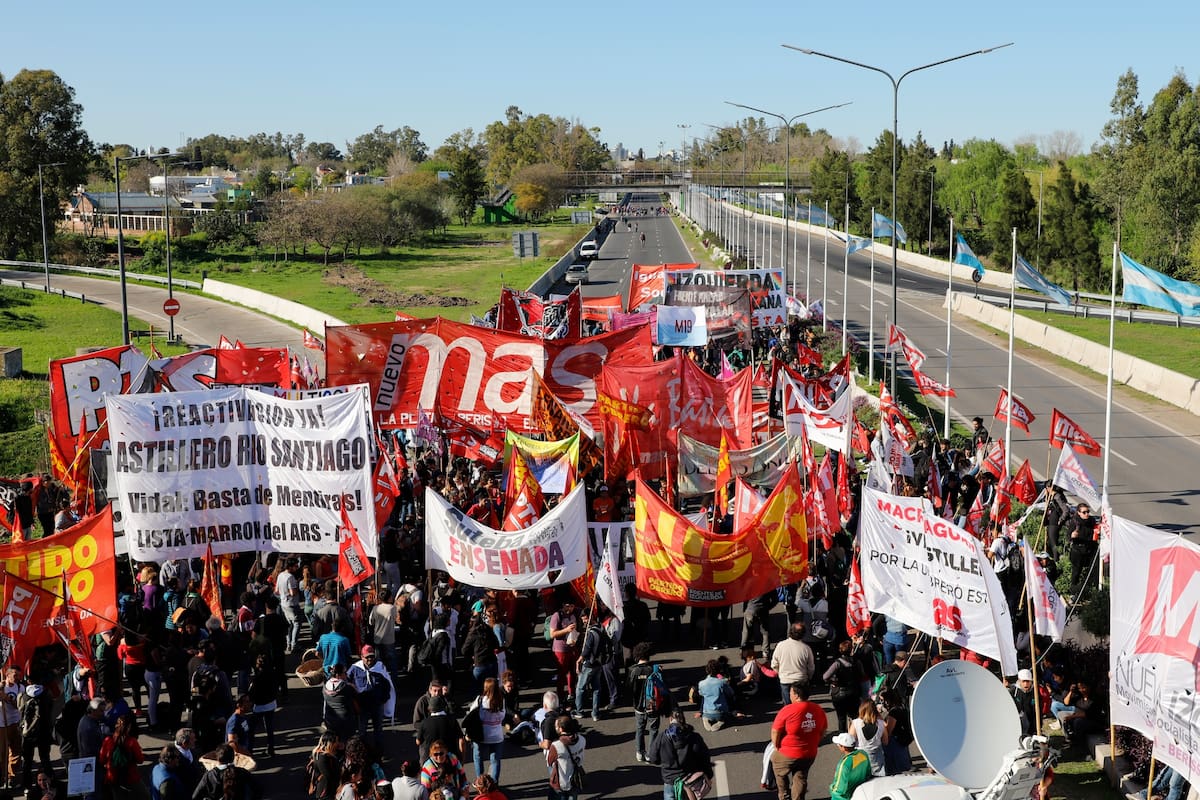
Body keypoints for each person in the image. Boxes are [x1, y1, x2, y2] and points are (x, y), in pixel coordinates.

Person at [769, 683, 827, 800]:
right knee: (801, 777)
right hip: (808, 753)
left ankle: (784, 795)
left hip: (788, 752)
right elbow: (823, 730)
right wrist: (814, 743)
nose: (789, 694)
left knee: (779, 771)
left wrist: (776, 746)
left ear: (796, 695)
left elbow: (775, 731)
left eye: (790, 692)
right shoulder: (818, 709)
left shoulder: (787, 710)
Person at [647, 710, 710, 800]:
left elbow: (653, 758)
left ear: (670, 719)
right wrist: (708, 774)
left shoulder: (662, 737)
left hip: (670, 779)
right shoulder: (694, 736)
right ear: (683, 719)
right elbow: (704, 757)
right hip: (690, 779)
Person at [347, 645, 395, 751]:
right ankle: (361, 752)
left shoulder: (379, 667)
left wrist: (384, 699)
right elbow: (347, 681)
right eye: (367, 657)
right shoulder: (355, 668)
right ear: (362, 657)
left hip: (377, 705)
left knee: (378, 729)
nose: (370, 659)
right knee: (362, 730)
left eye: (372, 656)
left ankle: (378, 751)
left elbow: (387, 684)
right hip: (362, 705)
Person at [97, 714, 148, 800]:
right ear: (128, 727)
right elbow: (140, 760)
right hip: (131, 777)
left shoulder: (107, 740)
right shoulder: (132, 742)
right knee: (145, 796)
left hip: (112, 777)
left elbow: (102, 760)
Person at [467, 678, 509, 783]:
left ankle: (480, 782)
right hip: (497, 736)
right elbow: (503, 716)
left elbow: (471, 713)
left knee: (478, 757)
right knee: (495, 761)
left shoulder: (480, 700)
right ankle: (493, 784)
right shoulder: (501, 700)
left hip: (481, 734)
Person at [19, 683, 54, 792]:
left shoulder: (23, 695)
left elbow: (20, 711)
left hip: (27, 732)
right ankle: (48, 783)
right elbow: (51, 710)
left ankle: (27, 785)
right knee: (45, 759)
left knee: (27, 761)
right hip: (43, 731)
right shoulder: (47, 694)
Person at [824, 640, 866, 732]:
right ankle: (856, 736)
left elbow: (825, 676)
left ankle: (843, 738)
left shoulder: (837, 663)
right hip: (854, 692)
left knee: (841, 718)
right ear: (851, 650)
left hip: (839, 693)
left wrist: (833, 682)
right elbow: (862, 675)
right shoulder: (857, 662)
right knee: (855, 717)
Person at [770, 622, 816, 705]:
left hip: (785, 679)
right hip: (801, 680)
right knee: (801, 705)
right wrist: (809, 677)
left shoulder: (780, 645)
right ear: (803, 634)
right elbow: (811, 667)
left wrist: (780, 673)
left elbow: (774, 664)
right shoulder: (806, 648)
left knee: (788, 706)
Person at [192, 744, 257, 800]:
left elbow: (195, 796)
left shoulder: (209, 775)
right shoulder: (242, 772)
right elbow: (258, 789)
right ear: (233, 758)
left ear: (217, 758)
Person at [546, 716, 586, 800]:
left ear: (561, 729)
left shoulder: (557, 745)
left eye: (556, 726)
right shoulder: (582, 739)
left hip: (561, 781)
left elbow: (549, 761)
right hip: (575, 778)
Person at [415, 695, 464, 764]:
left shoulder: (425, 722)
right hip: (449, 759)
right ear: (443, 707)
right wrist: (461, 757)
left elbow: (418, 741)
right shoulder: (451, 720)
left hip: (431, 761)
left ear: (429, 709)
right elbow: (461, 740)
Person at [547, 601, 580, 702]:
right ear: (562, 605)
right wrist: (566, 630)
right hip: (560, 649)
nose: (569, 608)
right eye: (567, 606)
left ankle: (571, 693)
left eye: (571, 606)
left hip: (572, 646)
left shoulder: (575, 614)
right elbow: (552, 634)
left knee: (573, 671)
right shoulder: (557, 616)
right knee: (562, 673)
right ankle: (560, 695)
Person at [1064, 503, 1099, 599]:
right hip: (1078, 550)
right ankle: (1073, 591)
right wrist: (1072, 535)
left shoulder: (1091, 520)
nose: (1086, 514)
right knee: (1076, 571)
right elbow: (1067, 536)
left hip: (1090, 549)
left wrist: (1098, 531)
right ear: (1079, 513)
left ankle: (1093, 589)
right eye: (1084, 512)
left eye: (1088, 511)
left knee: (1093, 570)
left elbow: (1096, 529)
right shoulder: (1075, 522)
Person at [695, 659, 737, 731]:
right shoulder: (722, 682)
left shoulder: (701, 683)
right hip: (720, 712)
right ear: (719, 671)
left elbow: (701, 694)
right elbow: (730, 693)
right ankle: (721, 721)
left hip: (707, 712)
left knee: (705, 698)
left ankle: (706, 719)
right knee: (725, 702)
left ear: (707, 670)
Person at [829, 731, 873, 800]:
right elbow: (868, 774)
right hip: (861, 792)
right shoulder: (863, 754)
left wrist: (831, 789)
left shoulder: (844, 765)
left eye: (839, 745)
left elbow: (839, 790)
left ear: (844, 748)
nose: (838, 746)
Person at [849, 700, 888, 777]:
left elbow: (850, 741)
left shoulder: (856, 723)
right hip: (877, 760)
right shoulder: (881, 724)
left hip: (861, 759)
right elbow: (885, 742)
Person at [322, 664, 359, 742]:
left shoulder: (325, 687)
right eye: (344, 673)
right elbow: (356, 698)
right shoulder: (347, 688)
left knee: (334, 742)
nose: (346, 674)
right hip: (346, 721)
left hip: (330, 720)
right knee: (347, 742)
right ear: (338, 675)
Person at [275, 558, 304, 655]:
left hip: (283, 603)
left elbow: (276, 590)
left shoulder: (280, 575)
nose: (296, 568)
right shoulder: (290, 577)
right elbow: (292, 592)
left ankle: (288, 644)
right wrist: (296, 586)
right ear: (290, 567)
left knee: (289, 624)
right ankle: (294, 644)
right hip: (292, 603)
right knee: (296, 623)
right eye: (295, 566)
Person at [0, 667, 22, 790]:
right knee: (2, 753)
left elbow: (19, 706)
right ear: (7, 675)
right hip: (2, 724)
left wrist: (7, 698)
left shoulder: (20, 688)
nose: (18, 677)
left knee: (15, 750)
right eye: (15, 675)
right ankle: (2, 777)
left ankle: (12, 776)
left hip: (15, 722)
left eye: (19, 675)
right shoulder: (1, 687)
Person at [310, 732, 343, 800]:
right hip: (326, 791)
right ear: (330, 743)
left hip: (328, 790)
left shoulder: (325, 754)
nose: (338, 743)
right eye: (336, 741)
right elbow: (329, 776)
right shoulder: (322, 757)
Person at [1010, 669, 1038, 737]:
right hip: (1018, 719)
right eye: (1023, 681)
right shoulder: (1014, 691)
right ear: (1019, 681)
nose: (1026, 684)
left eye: (1028, 681)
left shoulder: (1035, 692)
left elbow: (1037, 710)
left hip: (1031, 719)